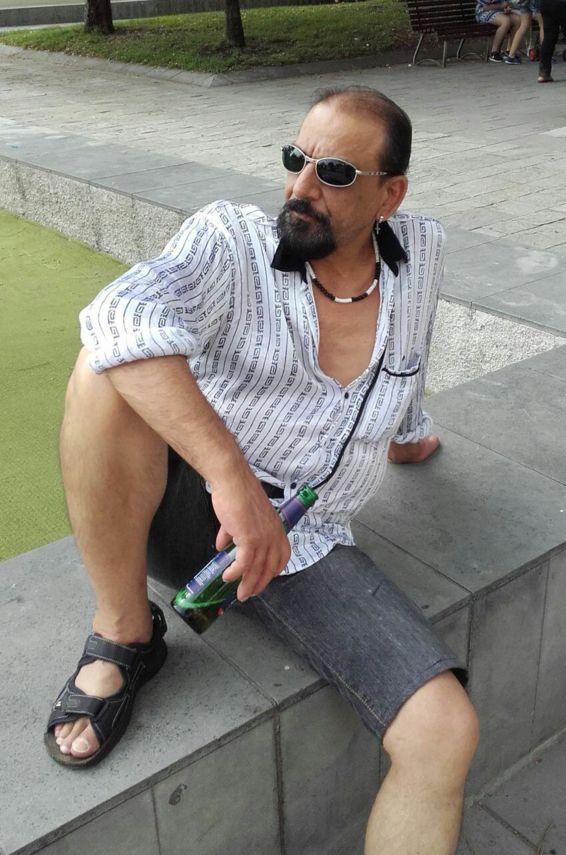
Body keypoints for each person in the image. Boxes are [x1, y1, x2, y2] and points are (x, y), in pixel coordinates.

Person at [45, 85, 479, 855]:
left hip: (307, 541)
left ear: (390, 195)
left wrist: (409, 433)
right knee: (102, 372)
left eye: (334, 172)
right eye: (295, 158)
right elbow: (117, 315)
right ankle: (125, 631)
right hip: (184, 505)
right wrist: (231, 478)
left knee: (445, 729)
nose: (301, 187)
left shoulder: (421, 254)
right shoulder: (233, 242)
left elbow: (411, 354)